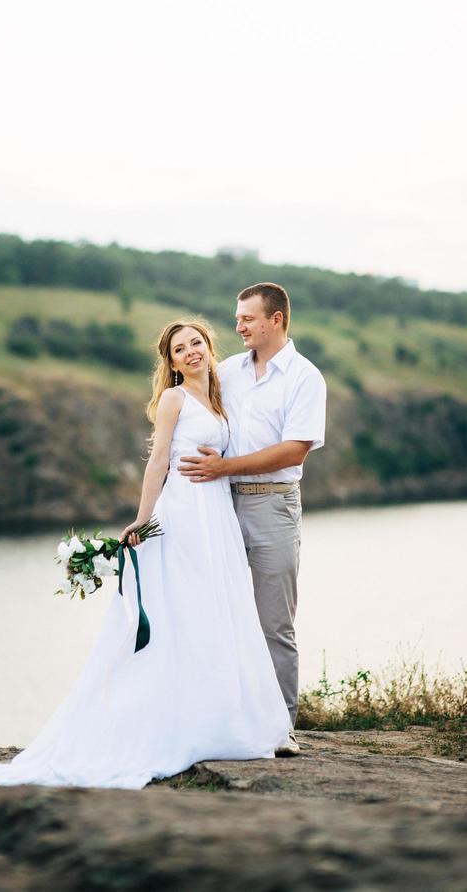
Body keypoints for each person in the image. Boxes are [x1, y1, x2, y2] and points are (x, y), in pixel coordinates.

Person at [0, 319, 291, 790]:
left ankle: (219, 717)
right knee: (184, 610)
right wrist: (142, 518)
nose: (191, 352)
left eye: (196, 343)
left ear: (209, 347)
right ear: (170, 363)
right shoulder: (174, 400)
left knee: (216, 609)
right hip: (184, 514)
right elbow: (158, 461)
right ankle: (175, 724)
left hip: (216, 515)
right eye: (179, 349)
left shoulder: (220, 397)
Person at [177, 284, 327, 755]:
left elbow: (293, 448)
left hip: (273, 505)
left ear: (276, 320)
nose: (238, 326)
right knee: (217, 615)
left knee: (273, 623)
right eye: (238, 318)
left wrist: (224, 466)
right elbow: (186, 418)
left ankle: (280, 729)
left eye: (247, 318)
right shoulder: (228, 372)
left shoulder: (305, 377)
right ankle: (220, 722)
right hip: (216, 503)